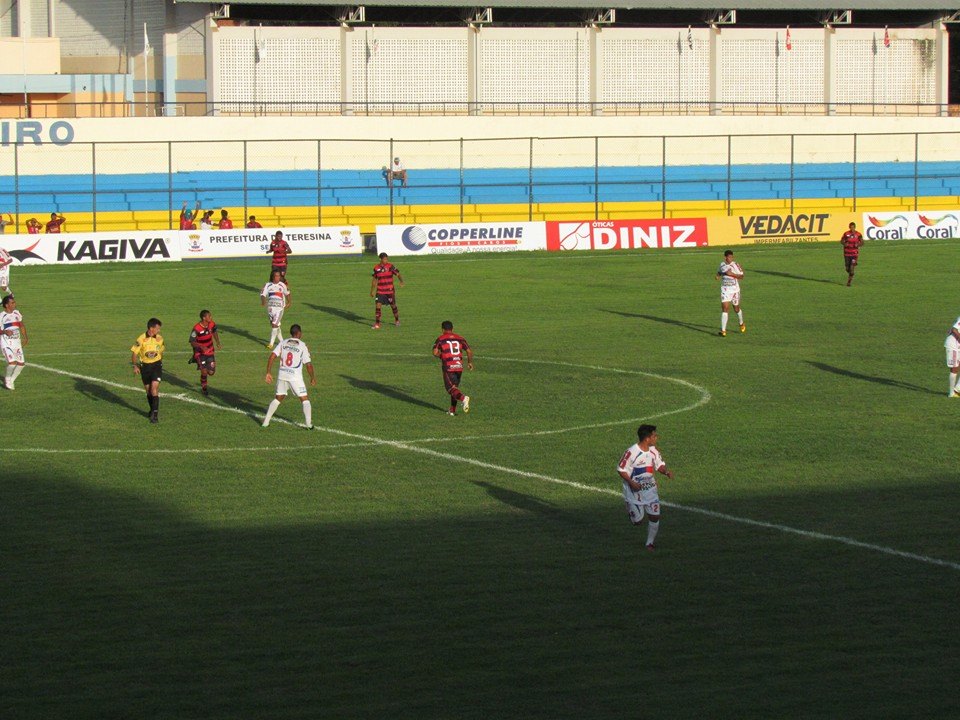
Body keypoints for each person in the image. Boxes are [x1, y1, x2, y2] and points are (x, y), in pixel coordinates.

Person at [617, 424, 675, 551]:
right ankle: (630, 507)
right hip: (634, 491)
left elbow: (659, 465)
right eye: (654, 435)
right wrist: (631, 482)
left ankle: (649, 543)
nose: (656, 438)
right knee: (637, 522)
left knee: (655, 516)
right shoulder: (631, 452)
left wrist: (666, 472)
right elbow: (621, 469)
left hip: (650, 489)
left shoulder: (654, 451)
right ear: (647, 438)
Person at [262, 323, 316, 429]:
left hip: (282, 375)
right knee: (305, 399)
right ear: (299, 333)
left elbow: (272, 356)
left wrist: (268, 372)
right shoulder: (302, 345)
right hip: (294, 377)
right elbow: (308, 365)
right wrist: (312, 377)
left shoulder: (283, 342)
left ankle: (265, 422)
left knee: (278, 398)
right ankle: (309, 425)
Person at [432, 320, 472, 416]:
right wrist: (470, 362)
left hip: (449, 367)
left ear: (442, 329)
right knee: (455, 388)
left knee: (450, 389)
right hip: (459, 366)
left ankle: (463, 398)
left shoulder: (441, 339)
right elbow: (469, 351)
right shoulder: (460, 338)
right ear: (452, 329)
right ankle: (452, 410)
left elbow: (435, 352)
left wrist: (442, 356)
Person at [131, 317, 164, 423]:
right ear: (151, 328)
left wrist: (159, 362)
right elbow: (134, 353)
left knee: (154, 388)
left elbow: (161, 351)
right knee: (148, 391)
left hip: (156, 365)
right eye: (157, 328)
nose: (159, 331)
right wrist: (135, 366)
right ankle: (152, 409)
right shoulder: (141, 339)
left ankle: (155, 415)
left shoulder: (159, 338)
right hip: (145, 367)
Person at [189, 309, 222, 396]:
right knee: (204, 372)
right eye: (209, 316)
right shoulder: (196, 328)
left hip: (210, 351)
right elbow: (192, 342)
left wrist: (218, 342)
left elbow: (214, 332)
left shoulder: (212, 324)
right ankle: (204, 388)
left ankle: (196, 361)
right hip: (200, 353)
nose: (211, 317)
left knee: (211, 372)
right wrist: (201, 346)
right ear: (204, 318)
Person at [370, 251, 404, 329]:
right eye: (384, 259)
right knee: (378, 306)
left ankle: (397, 320)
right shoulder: (376, 268)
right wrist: (371, 291)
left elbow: (398, 274)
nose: (386, 260)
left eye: (387, 259)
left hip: (390, 291)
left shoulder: (390, 266)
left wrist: (401, 281)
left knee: (393, 306)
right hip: (380, 291)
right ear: (380, 259)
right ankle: (377, 324)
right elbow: (374, 280)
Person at [716, 249, 745, 337]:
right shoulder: (722, 265)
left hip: (735, 290)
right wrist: (717, 275)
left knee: (736, 309)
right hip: (725, 290)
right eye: (729, 257)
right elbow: (720, 271)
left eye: (732, 257)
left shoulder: (736, 265)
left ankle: (741, 323)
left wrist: (731, 274)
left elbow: (742, 276)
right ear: (725, 257)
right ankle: (723, 330)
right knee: (725, 309)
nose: (731, 259)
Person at [1, 294, 27, 390]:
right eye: (12, 303)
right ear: (7, 305)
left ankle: (11, 380)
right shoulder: (1, 316)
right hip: (6, 343)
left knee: (21, 364)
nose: (14, 304)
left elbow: (21, 325)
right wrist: (4, 331)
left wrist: (25, 337)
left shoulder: (17, 313)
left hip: (17, 343)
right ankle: (7, 378)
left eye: (14, 302)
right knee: (12, 363)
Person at [261, 269, 291, 349]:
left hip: (279, 309)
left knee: (274, 325)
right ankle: (282, 342)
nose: (278, 277)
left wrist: (289, 302)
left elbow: (287, 293)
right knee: (276, 326)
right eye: (276, 276)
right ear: (273, 277)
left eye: (279, 276)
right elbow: (263, 294)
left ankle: (271, 344)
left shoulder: (282, 285)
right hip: (270, 309)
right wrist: (263, 302)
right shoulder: (267, 285)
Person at [840, 221, 864, 287]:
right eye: (851, 227)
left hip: (854, 254)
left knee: (852, 268)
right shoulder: (846, 234)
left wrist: (858, 244)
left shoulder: (858, 234)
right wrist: (845, 244)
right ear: (849, 227)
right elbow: (841, 241)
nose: (852, 229)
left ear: (855, 227)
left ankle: (849, 282)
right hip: (847, 253)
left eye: (853, 227)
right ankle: (850, 273)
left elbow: (862, 242)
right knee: (847, 268)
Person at [945, 316, 960, 397]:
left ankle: (957, 389)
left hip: (958, 345)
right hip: (953, 346)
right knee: (954, 369)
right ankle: (951, 393)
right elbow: (954, 329)